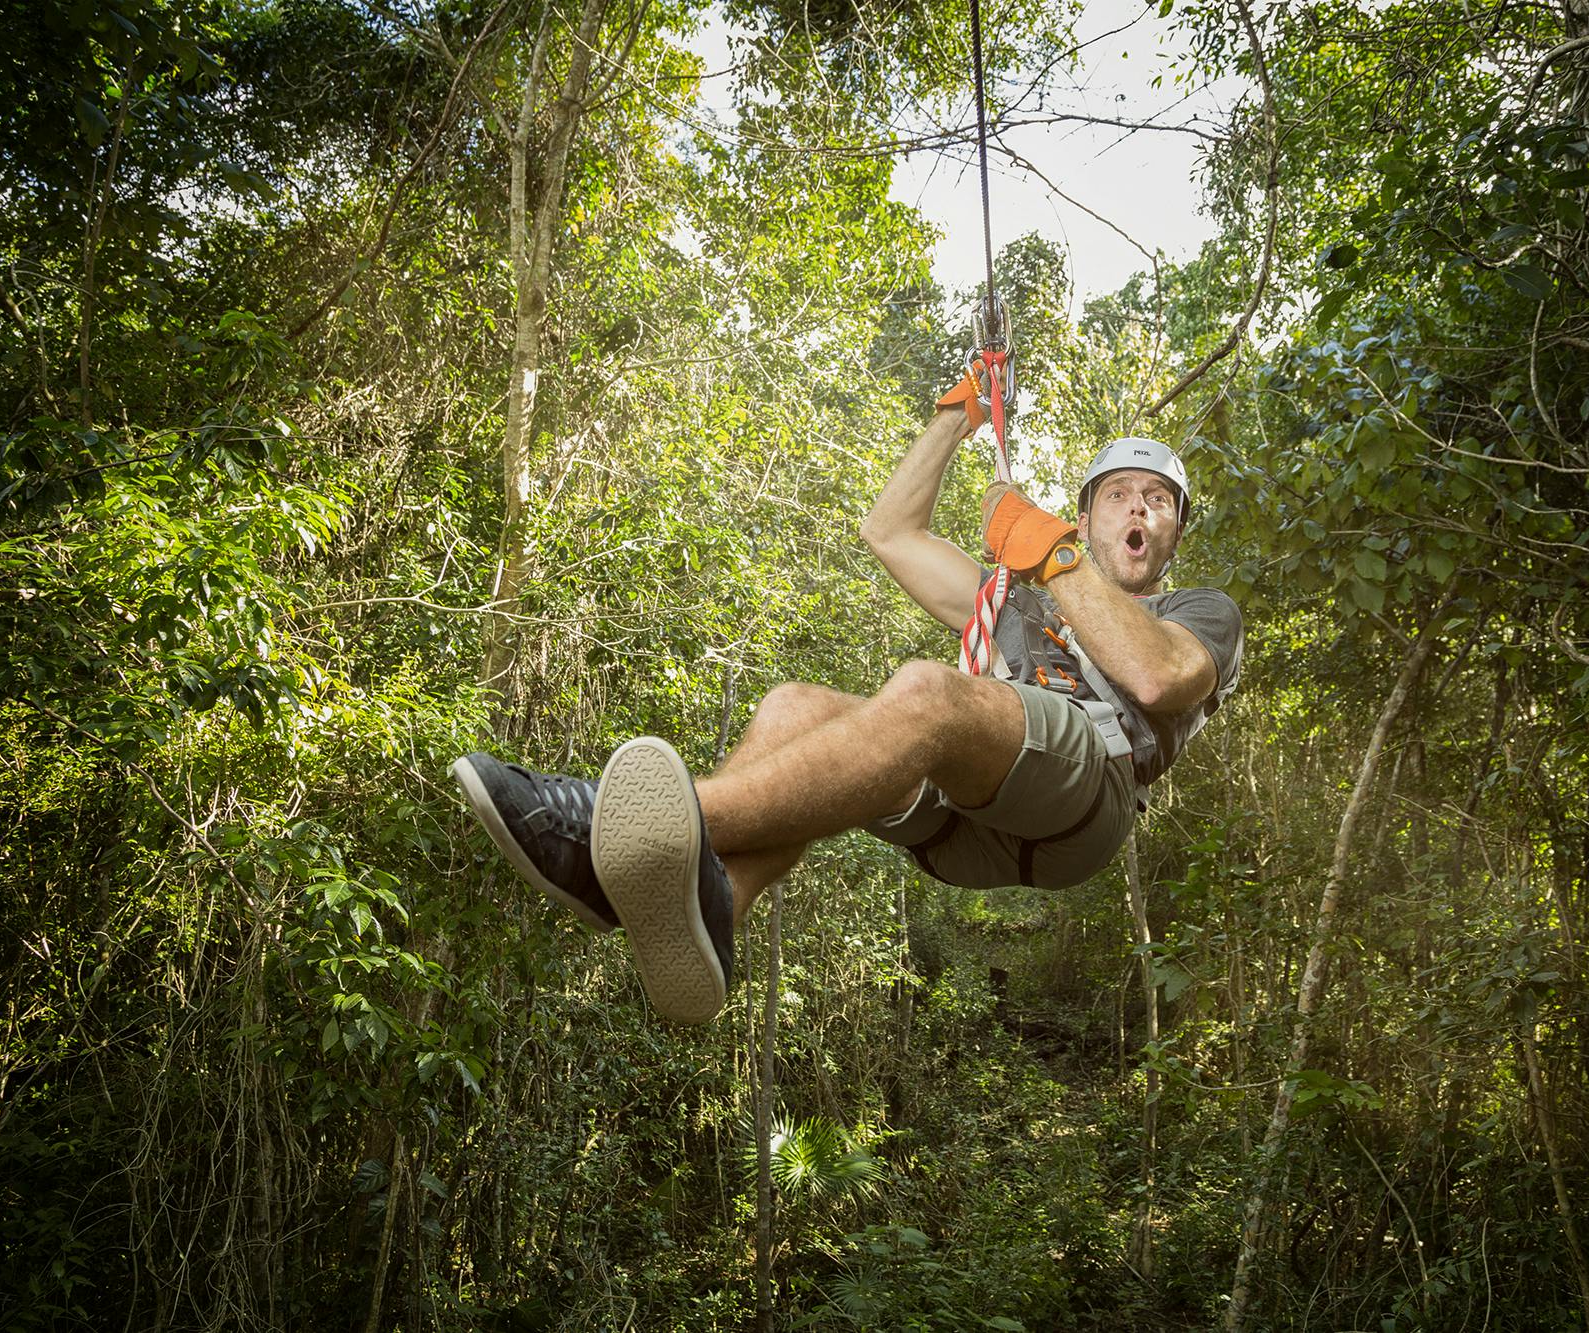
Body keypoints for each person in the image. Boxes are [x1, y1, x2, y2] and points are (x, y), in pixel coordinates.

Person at [452, 366, 1244, 1024]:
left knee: (930, 692)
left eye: (1158, 499)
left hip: (1084, 797)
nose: (1139, 507)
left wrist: (1053, 554)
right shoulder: (1018, 600)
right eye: (1120, 494)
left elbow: (1156, 676)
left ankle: (599, 826)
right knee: (795, 707)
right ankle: (719, 902)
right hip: (969, 820)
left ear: (1174, 532)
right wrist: (954, 416)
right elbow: (890, 532)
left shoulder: (1196, 613)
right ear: (1088, 512)